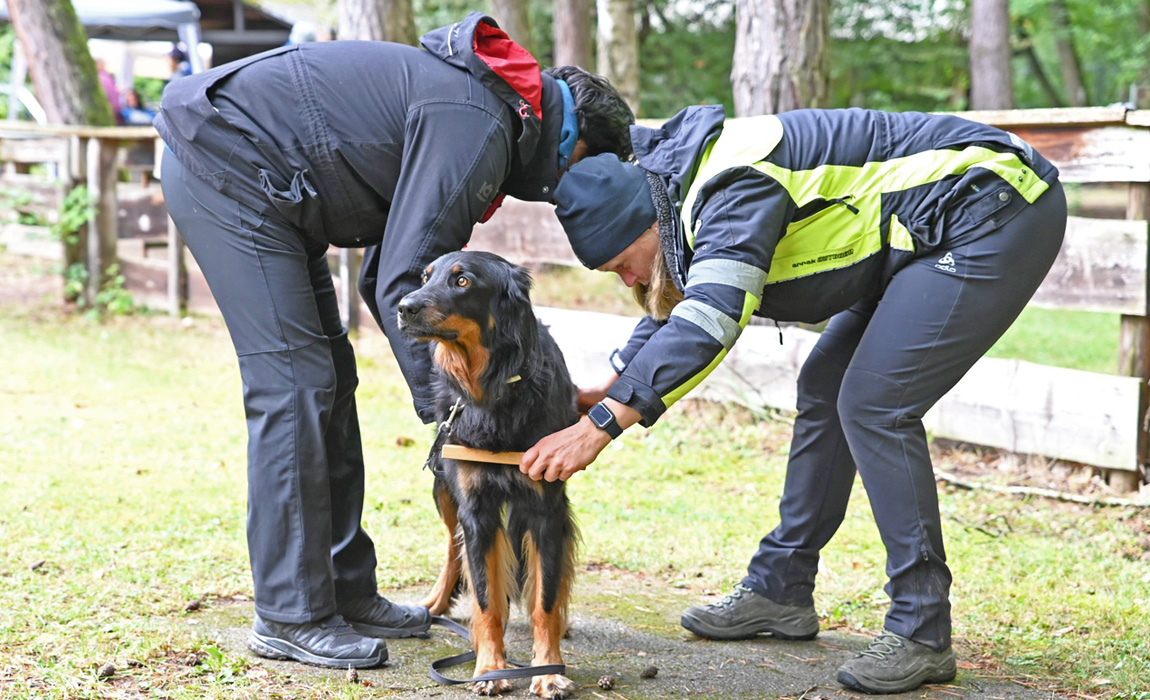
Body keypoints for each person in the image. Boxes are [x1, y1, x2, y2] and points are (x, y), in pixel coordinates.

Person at [527, 105, 1066, 694]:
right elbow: (679, 293)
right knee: (826, 384)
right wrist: (618, 380)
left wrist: (601, 425)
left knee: (874, 404)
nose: (628, 281)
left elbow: (709, 317)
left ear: (647, 228)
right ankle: (781, 588)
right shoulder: (671, 199)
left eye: (622, 266)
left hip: (989, 205)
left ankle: (921, 628)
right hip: (909, 230)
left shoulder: (731, 192)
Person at [156, 12, 633, 669]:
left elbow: (387, 276)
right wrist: (465, 420)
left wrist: (478, 400)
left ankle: (344, 590)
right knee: (295, 387)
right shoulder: (480, 124)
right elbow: (411, 285)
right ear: (573, 138)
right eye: (585, 170)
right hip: (225, 161)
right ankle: (290, 614)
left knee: (329, 378)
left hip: (269, 182)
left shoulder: (483, 115)